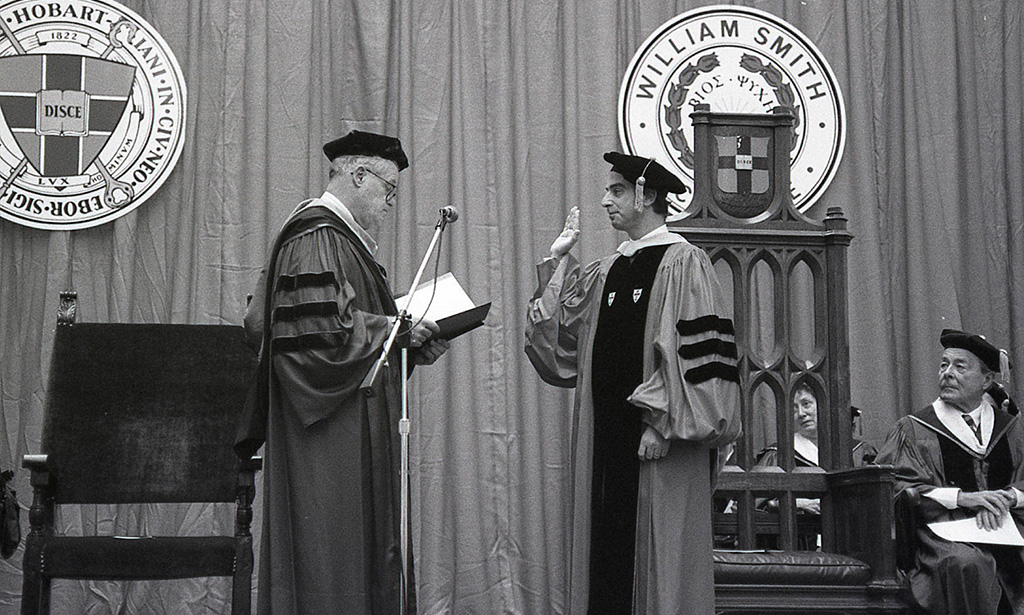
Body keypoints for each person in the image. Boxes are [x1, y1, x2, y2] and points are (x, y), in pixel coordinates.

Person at [236, 130, 449, 615]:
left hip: (352, 420)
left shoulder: (344, 243)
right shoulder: (317, 237)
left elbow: (349, 336)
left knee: (356, 554)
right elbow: (319, 338)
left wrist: (407, 349)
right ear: (357, 176)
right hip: (328, 433)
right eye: (388, 190)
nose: (392, 202)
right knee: (330, 557)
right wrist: (394, 332)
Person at [524, 152, 741, 615]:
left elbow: (701, 362)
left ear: (648, 195)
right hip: (606, 440)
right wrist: (558, 261)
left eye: (617, 190)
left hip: (659, 445)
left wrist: (661, 423)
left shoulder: (685, 263)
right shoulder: (608, 271)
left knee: (657, 571)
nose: (605, 201)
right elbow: (560, 344)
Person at [875, 328, 1024, 615]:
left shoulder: (1011, 428)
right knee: (966, 563)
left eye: (959, 366)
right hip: (942, 534)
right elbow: (893, 486)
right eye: (944, 365)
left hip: (1008, 527)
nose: (947, 373)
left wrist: (1007, 497)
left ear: (987, 380)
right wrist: (962, 498)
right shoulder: (914, 428)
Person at [750, 384, 877, 548]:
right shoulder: (778, 454)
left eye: (806, 404)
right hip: (797, 547)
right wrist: (797, 503)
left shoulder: (859, 452)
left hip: (852, 544)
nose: (801, 414)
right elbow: (755, 504)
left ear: (825, 405)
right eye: (794, 408)